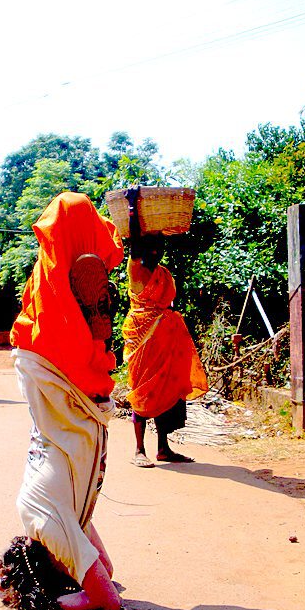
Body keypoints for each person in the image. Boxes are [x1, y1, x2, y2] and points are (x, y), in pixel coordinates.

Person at [0, 192, 125, 610]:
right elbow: (95, 350)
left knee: (50, 509)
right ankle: (92, 577)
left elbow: (72, 348)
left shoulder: (67, 279)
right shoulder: (70, 278)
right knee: (65, 510)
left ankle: (95, 590)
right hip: (74, 419)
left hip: (71, 422)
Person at [122, 186, 208, 468]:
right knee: (143, 390)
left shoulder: (162, 273)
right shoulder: (137, 267)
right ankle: (138, 450)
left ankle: (163, 448)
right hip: (142, 339)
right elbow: (134, 239)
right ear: (144, 249)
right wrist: (133, 207)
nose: (158, 250)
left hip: (164, 339)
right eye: (153, 246)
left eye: (161, 246)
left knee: (166, 392)